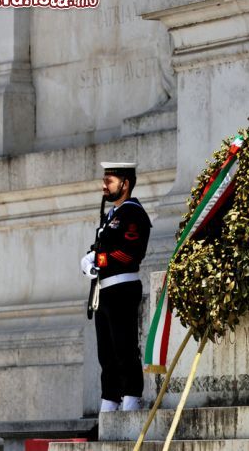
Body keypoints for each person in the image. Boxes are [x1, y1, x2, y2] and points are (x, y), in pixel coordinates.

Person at [80, 162, 152, 412]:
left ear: (125, 184)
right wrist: (90, 257)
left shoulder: (133, 214)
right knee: (106, 354)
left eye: (109, 180)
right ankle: (110, 399)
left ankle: (132, 396)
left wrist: (98, 260)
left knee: (124, 347)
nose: (103, 185)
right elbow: (106, 249)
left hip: (122, 289)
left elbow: (129, 254)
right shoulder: (113, 215)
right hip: (105, 291)